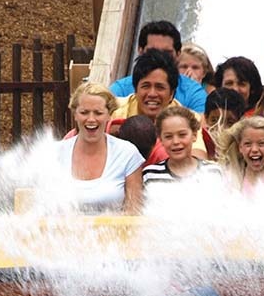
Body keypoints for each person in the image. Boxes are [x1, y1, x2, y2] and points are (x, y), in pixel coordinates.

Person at [57, 82, 144, 213]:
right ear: (75, 114)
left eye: (98, 113)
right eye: (84, 112)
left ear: (109, 115)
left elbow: (134, 212)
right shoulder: (54, 153)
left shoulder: (127, 153)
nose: (91, 119)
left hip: (114, 232)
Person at [112, 49, 208, 160]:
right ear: (135, 90)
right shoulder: (116, 111)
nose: (152, 94)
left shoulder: (189, 119)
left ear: (172, 93)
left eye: (160, 87)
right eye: (146, 86)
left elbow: (199, 160)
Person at [109, 21, 207, 112]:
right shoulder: (120, 90)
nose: (159, 57)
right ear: (140, 51)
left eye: (166, 53)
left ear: (178, 54)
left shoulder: (194, 93)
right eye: (152, 51)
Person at [142, 107, 223, 187]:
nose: (176, 142)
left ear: (194, 135)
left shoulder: (213, 171)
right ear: (161, 139)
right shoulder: (150, 175)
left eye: (182, 135)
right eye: (168, 136)